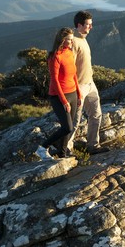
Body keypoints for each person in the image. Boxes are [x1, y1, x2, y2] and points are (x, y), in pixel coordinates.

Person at [35, 27, 82, 160]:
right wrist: (64, 101)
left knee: (69, 126)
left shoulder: (69, 52)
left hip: (72, 92)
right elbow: (54, 80)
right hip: (59, 95)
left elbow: (74, 75)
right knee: (67, 127)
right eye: (69, 40)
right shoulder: (55, 56)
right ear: (62, 40)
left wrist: (78, 94)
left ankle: (62, 153)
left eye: (72, 40)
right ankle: (42, 148)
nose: (72, 42)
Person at [67, 10, 103, 153]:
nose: (91, 27)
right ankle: (66, 149)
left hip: (90, 84)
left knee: (96, 114)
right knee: (75, 120)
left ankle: (93, 145)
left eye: (91, 24)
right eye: (88, 24)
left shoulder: (83, 38)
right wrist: (75, 89)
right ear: (79, 25)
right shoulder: (73, 41)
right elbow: (70, 68)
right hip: (79, 86)